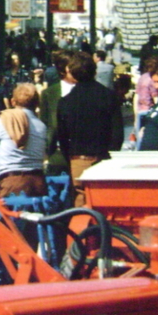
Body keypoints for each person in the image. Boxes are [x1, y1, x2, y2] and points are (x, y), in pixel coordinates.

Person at [56, 51, 123, 207]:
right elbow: (117, 133)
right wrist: (110, 155)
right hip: (104, 158)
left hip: (79, 158)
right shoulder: (108, 96)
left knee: (81, 202)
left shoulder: (66, 102)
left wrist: (70, 157)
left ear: (72, 73)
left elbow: (62, 136)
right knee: (105, 203)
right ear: (94, 70)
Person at [0, 83, 48, 198]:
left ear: (13, 102)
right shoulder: (42, 126)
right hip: (38, 183)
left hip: (12, 183)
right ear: (37, 103)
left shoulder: (5, 120)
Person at [39, 50, 75, 177]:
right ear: (62, 71)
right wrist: (46, 153)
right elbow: (44, 124)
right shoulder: (49, 94)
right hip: (57, 155)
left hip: (81, 154)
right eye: (72, 67)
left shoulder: (85, 91)